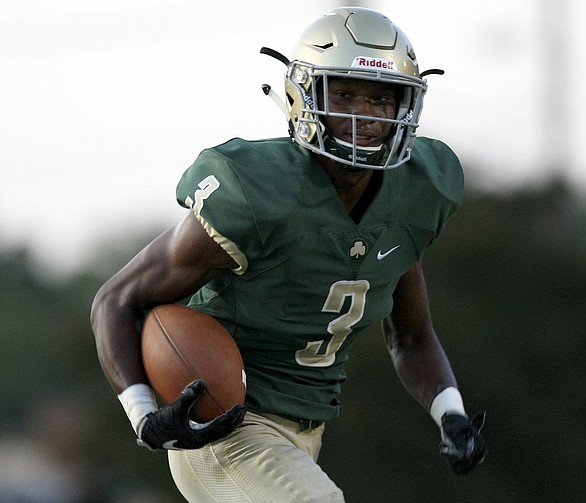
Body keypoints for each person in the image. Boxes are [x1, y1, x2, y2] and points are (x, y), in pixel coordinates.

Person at [91, 6, 486, 502]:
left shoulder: (416, 194)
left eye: (380, 98)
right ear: (304, 94)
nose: (363, 113)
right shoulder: (256, 191)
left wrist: (450, 413)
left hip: (306, 431)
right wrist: (145, 415)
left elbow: (410, 334)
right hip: (226, 425)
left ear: (405, 106)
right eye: (343, 93)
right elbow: (116, 300)